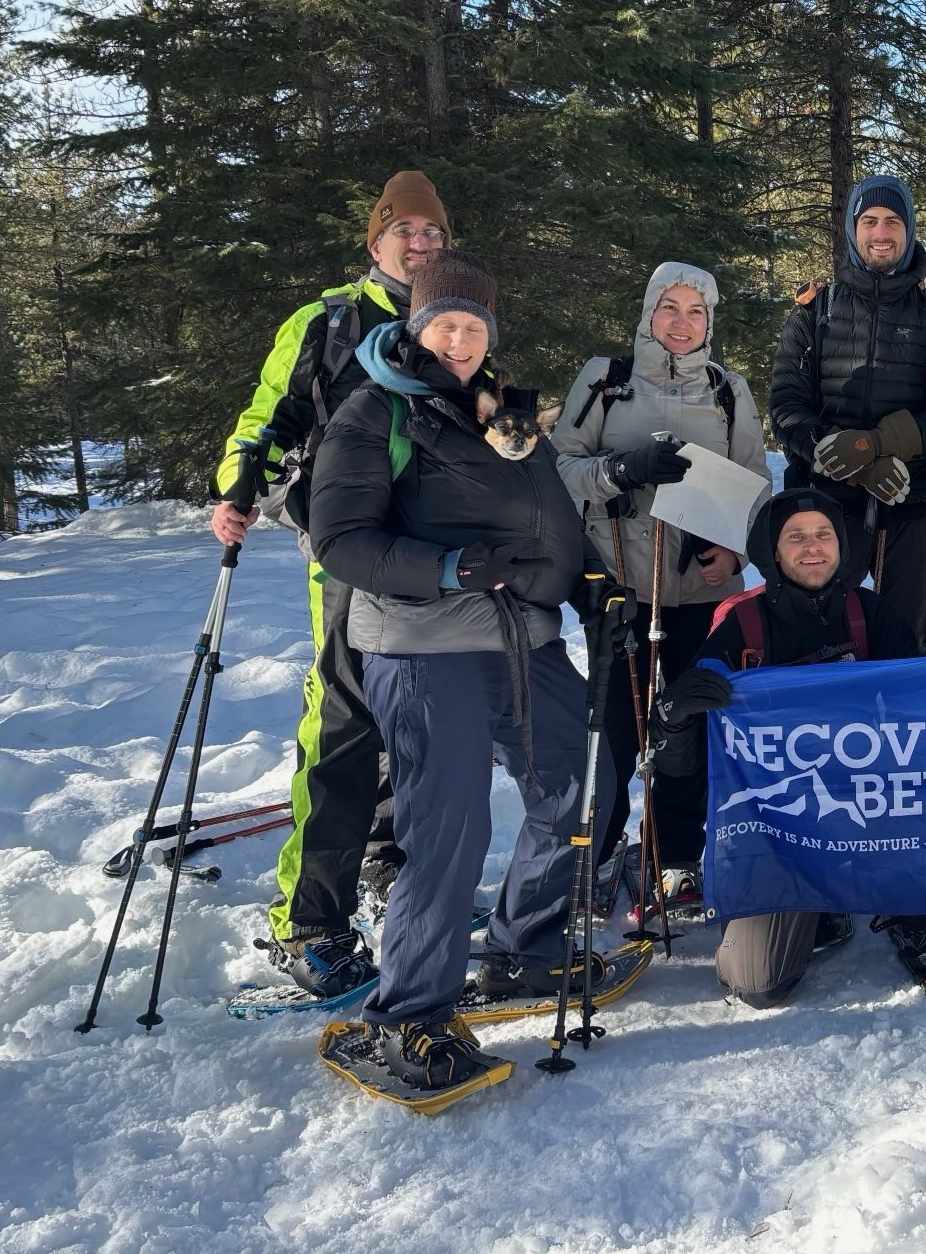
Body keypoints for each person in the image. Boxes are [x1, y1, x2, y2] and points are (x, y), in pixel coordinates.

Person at [309, 250, 633, 1091]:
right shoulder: (372, 411)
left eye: (475, 327)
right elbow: (342, 541)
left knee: (581, 790)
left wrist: (591, 582)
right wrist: (449, 567)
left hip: (523, 639)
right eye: (446, 325)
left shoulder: (505, 417)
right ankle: (409, 1015)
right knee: (449, 829)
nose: (460, 340)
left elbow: (554, 516)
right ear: (417, 329)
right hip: (421, 649)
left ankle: (527, 948)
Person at [210, 168, 450, 996]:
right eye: (405, 233)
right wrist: (237, 487)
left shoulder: (452, 319)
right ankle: (307, 920)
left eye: (432, 235)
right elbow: (265, 417)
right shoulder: (328, 321)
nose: (419, 245)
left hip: (432, 556)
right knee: (345, 725)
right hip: (349, 553)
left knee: (416, 717)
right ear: (376, 241)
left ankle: (390, 868)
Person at [645, 487, 922, 1008]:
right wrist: (674, 717)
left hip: (862, 808)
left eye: (824, 535)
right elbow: (690, 767)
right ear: (773, 550)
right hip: (776, 830)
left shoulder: (875, 616)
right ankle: (811, 908)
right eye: (796, 537)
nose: (812, 547)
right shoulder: (742, 629)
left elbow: (922, 720)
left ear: (842, 545)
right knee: (756, 981)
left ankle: (880, 896)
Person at [551, 262, 770, 915]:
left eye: (695, 311)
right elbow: (557, 470)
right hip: (617, 583)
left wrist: (732, 545)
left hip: (702, 595)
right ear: (649, 313)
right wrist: (619, 471)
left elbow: (755, 483)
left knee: (687, 727)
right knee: (615, 727)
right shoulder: (605, 380)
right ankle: (598, 847)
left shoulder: (730, 391)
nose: (681, 322)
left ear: (710, 322)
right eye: (669, 307)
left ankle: (676, 856)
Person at [765, 174, 926, 651]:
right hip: (823, 506)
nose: (882, 233)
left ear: (910, 229)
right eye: (870, 221)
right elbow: (786, 408)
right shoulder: (814, 312)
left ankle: (905, 725)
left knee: (904, 640)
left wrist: (878, 445)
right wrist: (853, 462)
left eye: (894, 221)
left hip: (914, 505)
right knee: (818, 639)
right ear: (852, 231)